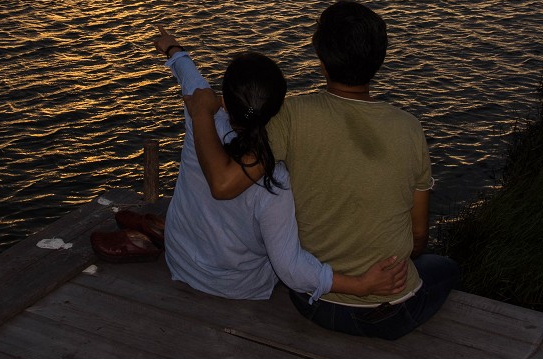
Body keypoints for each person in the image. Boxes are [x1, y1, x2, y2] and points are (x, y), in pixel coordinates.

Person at [184, 0, 460, 340]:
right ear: (380, 59)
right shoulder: (410, 129)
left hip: (313, 303)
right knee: (444, 268)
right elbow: (418, 238)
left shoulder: (292, 116)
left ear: (321, 61)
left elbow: (224, 184)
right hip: (389, 312)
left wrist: (200, 113)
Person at [146, 26, 408, 303]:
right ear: (277, 108)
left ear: (224, 97)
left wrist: (171, 48)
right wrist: (360, 285)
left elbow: (191, 79)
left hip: (181, 262)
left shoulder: (201, 119)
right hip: (238, 286)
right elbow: (290, 268)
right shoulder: (275, 180)